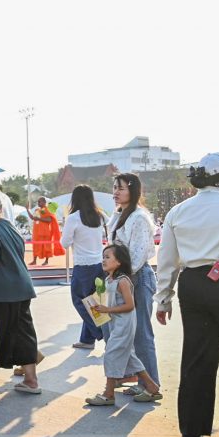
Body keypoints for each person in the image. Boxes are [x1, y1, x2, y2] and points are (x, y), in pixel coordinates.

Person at [155, 153, 219, 437]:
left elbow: (167, 259)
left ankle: (191, 433)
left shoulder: (178, 211)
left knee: (197, 358)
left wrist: (163, 299)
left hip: (194, 284)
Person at [0, 192, 40, 395]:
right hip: (23, 286)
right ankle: (31, 380)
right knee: (24, 333)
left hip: (3, 290)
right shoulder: (9, 226)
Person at [85, 244, 162, 407]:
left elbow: (130, 305)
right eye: (103, 257)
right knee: (129, 356)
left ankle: (108, 393)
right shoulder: (108, 280)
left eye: (108, 257)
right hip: (115, 323)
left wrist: (108, 309)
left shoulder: (123, 281)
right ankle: (152, 385)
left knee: (111, 354)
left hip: (124, 324)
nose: (103, 260)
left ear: (119, 262)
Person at [106, 173, 159, 393]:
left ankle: (149, 384)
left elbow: (137, 257)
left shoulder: (139, 217)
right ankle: (127, 375)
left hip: (136, 277)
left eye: (121, 188)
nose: (116, 192)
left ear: (133, 190)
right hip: (122, 278)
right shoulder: (118, 215)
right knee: (118, 331)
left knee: (141, 333)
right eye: (115, 188)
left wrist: (120, 280)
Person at [61, 185, 108, 350]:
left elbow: (64, 243)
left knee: (80, 301)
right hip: (99, 264)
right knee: (93, 301)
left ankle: (101, 331)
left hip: (83, 266)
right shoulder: (100, 216)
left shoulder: (73, 218)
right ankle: (87, 339)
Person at [26, 197, 64, 265]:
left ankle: (46, 261)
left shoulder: (48, 210)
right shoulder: (37, 210)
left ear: (44, 202)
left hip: (45, 232)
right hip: (37, 232)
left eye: (39, 202)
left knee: (46, 246)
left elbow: (49, 220)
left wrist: (39, 219)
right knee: (36, 246)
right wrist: (27, 209)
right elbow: (33, 218)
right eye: (38, 202)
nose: (38, 203)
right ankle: (34, 260)